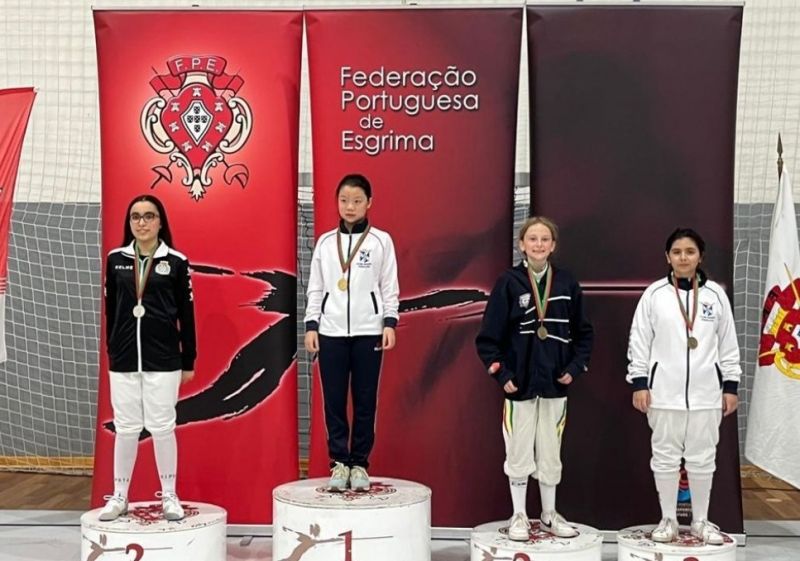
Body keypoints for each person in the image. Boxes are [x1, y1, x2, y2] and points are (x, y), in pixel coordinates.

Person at [476, 216, 593, 540]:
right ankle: (519, 515)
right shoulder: (508, 283)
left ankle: (549, 514)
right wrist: (502, 374)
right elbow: (488, 339)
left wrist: (574, 368)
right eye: (532, 239)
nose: (538, 244)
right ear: (522, 244)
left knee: (551, 451)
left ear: (553, 245)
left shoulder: (566, 284)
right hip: (520, 386)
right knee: (518, 450)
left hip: (555, 385)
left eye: (544, 239)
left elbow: (584, 334)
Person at [626, 227, 740, 545]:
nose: (683, 257)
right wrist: (640, 382)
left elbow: (728, 343)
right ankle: (669, 520)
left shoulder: (715, 295)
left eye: (690, 252)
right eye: (677, 252)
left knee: (703, 458)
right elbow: (639, 341)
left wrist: (730, 385)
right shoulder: (655, 295)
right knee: (664, 457)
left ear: (700, 256)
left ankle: (700, 521)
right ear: (668, 257)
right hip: (662, 393)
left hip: (707, 394)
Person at [99, 194, 196, 521]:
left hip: (164, 359)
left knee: (162, 426)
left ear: (160, 221)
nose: (142, 222)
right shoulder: (116, 260)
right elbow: (111, 311)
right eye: (135, 217)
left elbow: (187, 315)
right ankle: (119, 496)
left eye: (149, 216)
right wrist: (113, 349)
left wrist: (188, 359)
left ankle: (169, 495)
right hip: (125, 358)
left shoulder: (176, 262)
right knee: (126, 427)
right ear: (129, 223)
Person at [304, 174, 399, 492]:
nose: (350, 206)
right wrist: (312, 325)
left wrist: (389, 322)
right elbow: (315, 287)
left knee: (365, 400)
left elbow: (389, 286)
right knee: (333, 401)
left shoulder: (381, 241)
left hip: (369, 331)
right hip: (330, 332)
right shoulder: (325, 243)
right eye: (344, 200)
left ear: (369, 203)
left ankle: (359, 463)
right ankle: (338, 463)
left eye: (357, 200)